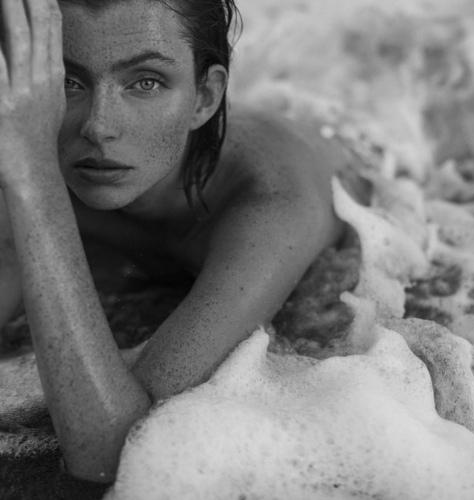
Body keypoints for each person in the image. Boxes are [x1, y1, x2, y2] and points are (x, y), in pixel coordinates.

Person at [0, 0, 367, 483]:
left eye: (146, 82)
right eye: (68, 82)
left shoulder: (272, 199)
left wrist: (35, 180)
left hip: (360, 156)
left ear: (204, 97)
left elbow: (118, 451)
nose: (98, 127)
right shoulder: (35, 135)